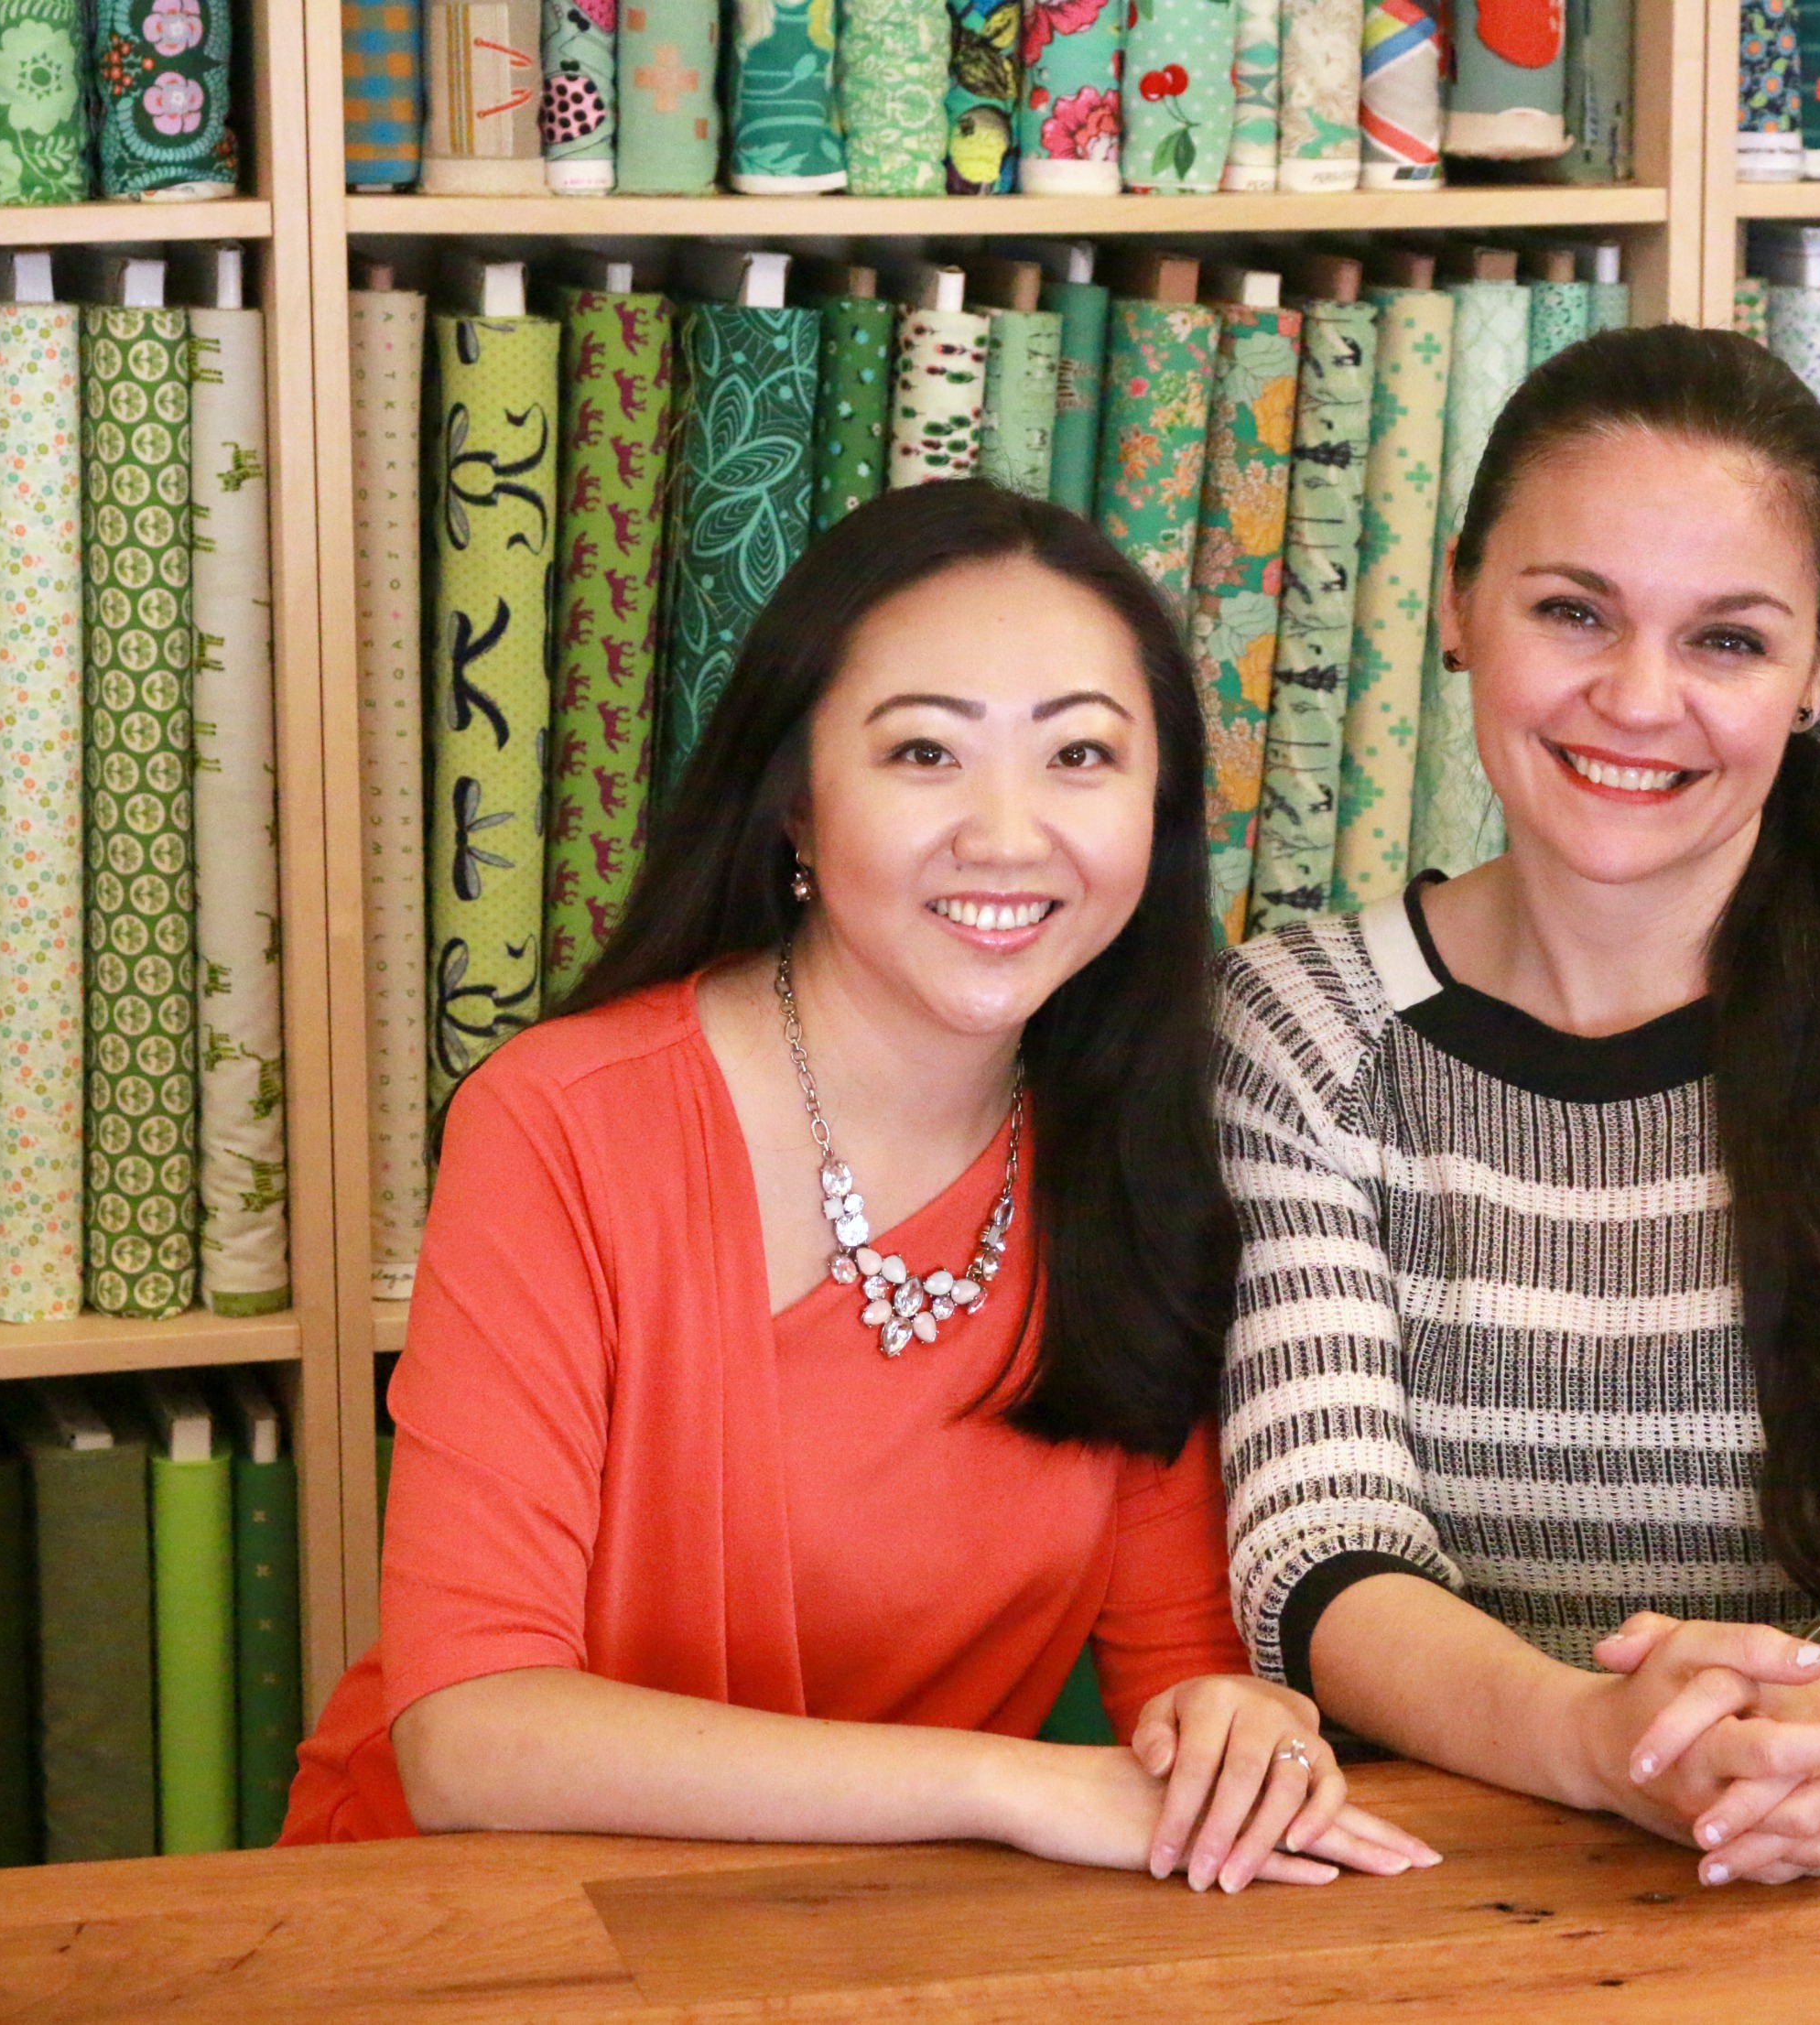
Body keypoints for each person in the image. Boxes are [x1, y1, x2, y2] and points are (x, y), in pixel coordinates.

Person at [285, 482, 1434, 1894]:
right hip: (466, 1924)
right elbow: (468, 1737)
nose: (1007, 834)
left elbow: (1178, 1665)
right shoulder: (560, 1120)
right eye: (923, 752)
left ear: (1159, 811)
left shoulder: (1137, 1151)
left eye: (1080, 754)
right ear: (796, 803)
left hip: (870, 1933)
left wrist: (1231, 1729)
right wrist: (1001, 1785)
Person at [1214, 326, 1820, 1890]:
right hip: (1440, 1887)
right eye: (1572, 612)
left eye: (1726, 640)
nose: (1637, 697)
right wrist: (1602, 1744)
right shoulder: (1300, 1022)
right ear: (1457, 605)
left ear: (1812, 671)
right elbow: (1315, 1556)